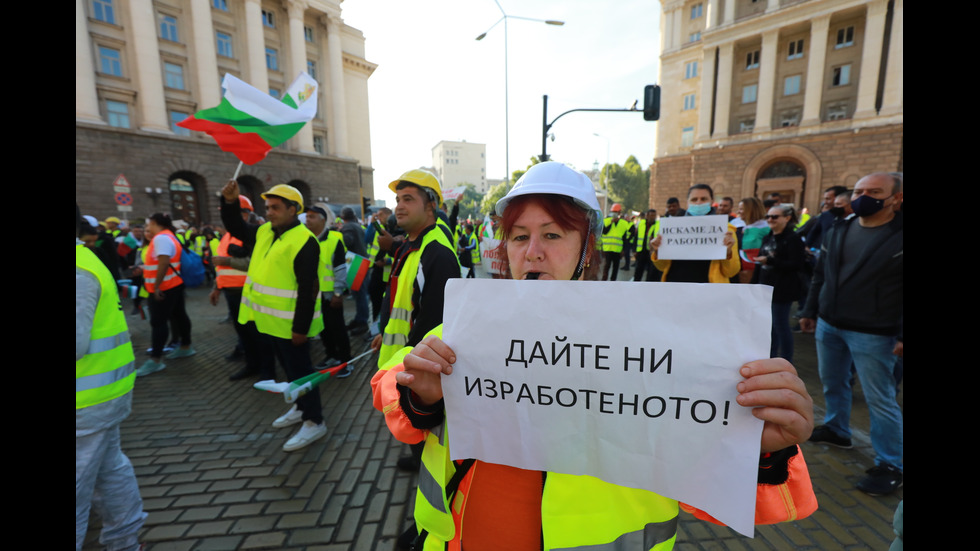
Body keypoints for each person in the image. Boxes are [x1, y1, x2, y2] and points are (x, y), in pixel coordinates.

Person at [371, 162, 816, 550]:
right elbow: (389, 383)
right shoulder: (466, 327)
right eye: (519, 236)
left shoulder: (653, 344)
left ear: (587, 251)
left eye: (552, 234)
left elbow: (722, 491)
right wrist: (419, 394)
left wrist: (757, 449)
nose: (533, 251)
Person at [800, 172, 903, 496]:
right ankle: (837, 428)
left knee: (880, 398)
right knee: (833, 382)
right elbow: (820, 275)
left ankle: (891, 463)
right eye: (859, 191)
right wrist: (809, 310)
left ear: (896, 198)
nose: (863, 197)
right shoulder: (839, 229)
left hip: (874, 332)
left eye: (874, 191)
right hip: (830, 323)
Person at [221, 181, 328, 452]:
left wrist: (300, 329)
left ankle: (315, 421)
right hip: (270, 320)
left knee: (303, 373)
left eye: (275, 208)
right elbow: (236, 228)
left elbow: (308, 289)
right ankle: (301, 407)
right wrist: (230, 203)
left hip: (292, 324)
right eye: (267, 207)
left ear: (293, 210)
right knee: (291, 372)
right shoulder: (267, 231)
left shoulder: (305, 241)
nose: (268, 212)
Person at [77, 206, 147, 551]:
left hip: (86, 401)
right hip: (97, 394)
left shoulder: (78, 268)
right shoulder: (84, 261)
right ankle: (125, 541)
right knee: (108, 470)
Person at [211, 195, 267, 381]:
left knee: (254, 333)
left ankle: (263, 368)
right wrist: (217, 287)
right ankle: (252, 365)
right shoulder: (227, 235)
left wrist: (228, 261)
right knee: (243, 332)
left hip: (247, 290)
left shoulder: (250, 234)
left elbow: (254, 263)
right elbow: (220, 267)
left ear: (244, 214)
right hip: (231, 291)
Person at [137, 213, 194, 376]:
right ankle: (186, 346)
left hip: (164, 287)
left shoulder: (161, 238)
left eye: (149, 225)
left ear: (154, 223)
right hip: (173, 284)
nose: (147, 229)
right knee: (179, 315)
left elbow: (163, 262)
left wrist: (155, 287)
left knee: (158, 322)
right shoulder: (170, 236)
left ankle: (155, 360)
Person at [650, 184, 740, 283]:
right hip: (676, 287)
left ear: (711, 201)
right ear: (688, 202)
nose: (698, 203)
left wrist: (727, 253)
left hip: (709, 291)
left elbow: (731, 272)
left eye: (703, 199)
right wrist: (658, 252)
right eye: (694, 199)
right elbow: (663, 267)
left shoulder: (726, 230)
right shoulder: (673, 228)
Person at [752, 204, 806, 362]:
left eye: (774, 217)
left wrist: (770, 260)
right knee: (769, 327)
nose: (770, 220)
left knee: (781, 325)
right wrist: (755, 284)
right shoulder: (767, 237)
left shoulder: (793, 239)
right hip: (765, 287)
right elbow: (759, 264)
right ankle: (771, 358)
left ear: (787, 218)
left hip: (783, 289)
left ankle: (786, 360)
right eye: (768, 217)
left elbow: (796, 264)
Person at [306, 202, 353, 376]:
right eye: (307, 217)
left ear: (323, 220)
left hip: (330, 294)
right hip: (314, 295)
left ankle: (345, 361)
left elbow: (340, 269)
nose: (308, 220)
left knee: (338, 328)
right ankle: (331, 355)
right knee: (322, 328)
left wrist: (338, 293)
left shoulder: (334, 239)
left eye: (312, 217)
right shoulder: (306, 238)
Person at [340, 207, 371, 335]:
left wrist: (338, 236)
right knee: (360, 294)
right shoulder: (356, 225)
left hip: (354, 262)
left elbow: (348, 241)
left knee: (359, 295)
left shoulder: (347, 228)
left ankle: (362, 322)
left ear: (343, 217)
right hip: (360, 261)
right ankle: (359, 319)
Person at [600, 203, 630, 281]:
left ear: (619, 213)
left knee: (615, 267)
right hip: (607, 249)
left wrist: (624, 250)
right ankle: (604, 281)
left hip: (618, 250)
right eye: (613, 212)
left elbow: (625, 239)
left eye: (616, 212)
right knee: (606, 266)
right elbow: (604, 232)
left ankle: (613, 281)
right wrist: (611, 222)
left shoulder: (624, 223)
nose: (614, 214)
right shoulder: (606, 221)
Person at [632, 209, 660, 282]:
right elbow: (636, 237)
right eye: (651, 215)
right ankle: (636, 285)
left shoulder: (659, 224)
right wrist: (634, 250)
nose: (652, 217)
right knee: (638, 271)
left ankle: (648, 286)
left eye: (654, 215)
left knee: (651, 272)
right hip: (641, 251)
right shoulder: (641, 223)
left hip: (652, 252)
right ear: (647, 215)